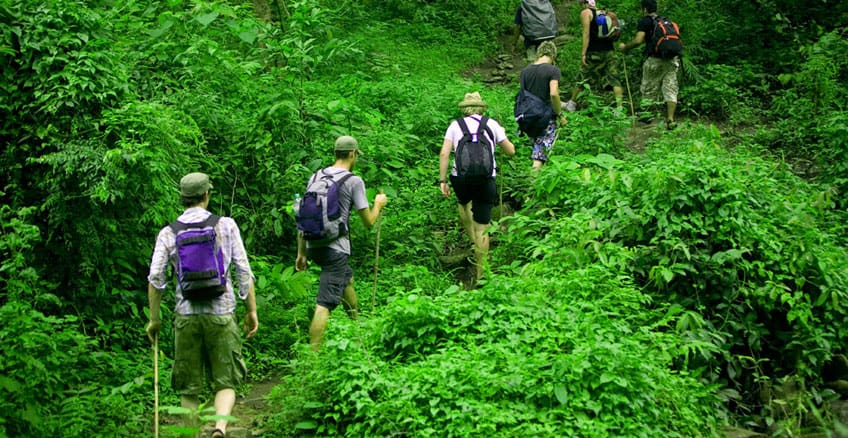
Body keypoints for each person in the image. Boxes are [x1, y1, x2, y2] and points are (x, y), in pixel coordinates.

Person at [146, 172, 258, 438]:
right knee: (226, 380)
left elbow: (155, 279)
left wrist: (154, 319)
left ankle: (191, 433)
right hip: (221, 313)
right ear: (207, 195)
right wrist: (251, 309)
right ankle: (220, 428)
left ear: (182, 198)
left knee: (189, 387)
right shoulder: (226, 225)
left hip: (186, 316)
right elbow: (243, 270)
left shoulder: (168, 233)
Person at [296, 136, 387, 350]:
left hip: (312, 245)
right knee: (324, 304)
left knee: (347, 280)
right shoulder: (353, 181)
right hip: (335, 248)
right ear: (353, 154)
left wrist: (301, 253)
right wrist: (378, 204)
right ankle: (312, 359)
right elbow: (368, 222)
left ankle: (358, 332)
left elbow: (303, 215)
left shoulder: (316, 176)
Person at [439, 92, 516, 283]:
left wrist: (442, 181)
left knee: (464, 203)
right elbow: (511, 151)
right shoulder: (492, 124)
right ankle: (482, 274)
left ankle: (474, 242)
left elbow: (444, 154)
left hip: (460, 178)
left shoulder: (455, 125)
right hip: (486, 179)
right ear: (482, 107)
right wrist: (501, 134)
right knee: (483, 225)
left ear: (464, 109)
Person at [618, 0, 680, 129]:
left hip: (654, 60)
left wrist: (625, 47)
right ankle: (670, 119)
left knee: (649, 87)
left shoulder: (645, 21)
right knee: (670, 88)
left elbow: (638, 40)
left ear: (645, 9)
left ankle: (647, 116)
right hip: (671, 59)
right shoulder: (665, 21)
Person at [563, 0, 624, 112]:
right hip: (609, 51)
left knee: (583, 77)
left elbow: (586, 34)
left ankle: (571, 104)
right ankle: (619, 109)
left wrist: (583, 54)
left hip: (594, 52)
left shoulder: (586, 13)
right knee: (614, 79)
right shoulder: (605, 13)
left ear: (584, 3)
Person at [518, 40, 568, 170]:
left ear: (539, 53)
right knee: (539, 156)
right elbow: (553, 93)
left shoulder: (525, 71)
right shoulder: (553, 70)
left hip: (527, 117)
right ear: (553, 55)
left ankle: (534, 181)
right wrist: (560, 114)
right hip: (545, 118)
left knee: (536, 148)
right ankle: (533, 185)